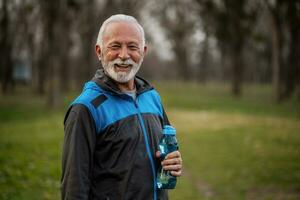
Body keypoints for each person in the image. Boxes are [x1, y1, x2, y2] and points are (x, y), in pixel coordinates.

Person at [61, 14, 183, 200]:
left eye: (132, 47)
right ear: (99, 51)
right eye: (115, 46)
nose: (124, 55)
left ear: (143, 51)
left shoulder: (152, 97)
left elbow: (165, 149)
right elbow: (74, 187)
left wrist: (172, 161)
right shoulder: (85, 108)